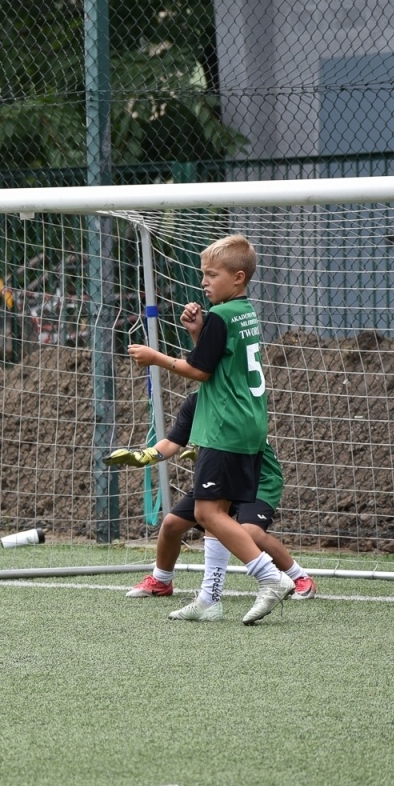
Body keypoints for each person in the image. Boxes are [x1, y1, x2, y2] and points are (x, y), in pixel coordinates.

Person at [128, 234, 291, 625]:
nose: (204, 281)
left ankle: (271, 578)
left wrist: (155, 358)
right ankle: (209, 599)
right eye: (203, 274)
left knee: (207, 512)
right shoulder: (243, 311)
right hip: (247, 423)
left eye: (211, 274)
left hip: (225, 426)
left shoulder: (222, 315)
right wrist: (199, 333)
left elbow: (200, 371)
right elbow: (219, 364)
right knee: (213, 512)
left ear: (237, 277)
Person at [107, 390, 316, 613]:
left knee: (250, 531)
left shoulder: (240, 399)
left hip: (258, 477)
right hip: (221, 475)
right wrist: (146, 455)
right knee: (171, 524)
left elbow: (243, 442)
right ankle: (162, 581)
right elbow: (173, 441)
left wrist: (206, 454)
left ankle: (299, 578)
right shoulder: (196, 401)